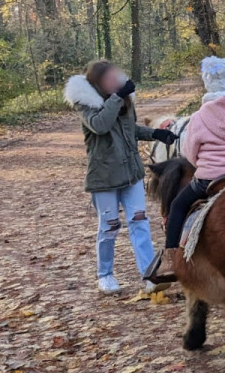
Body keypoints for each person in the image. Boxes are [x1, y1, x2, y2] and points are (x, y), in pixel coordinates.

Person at [65, 60, 178, 295]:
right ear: (97, 83)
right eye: (109, 78)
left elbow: (131, 130)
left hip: (131, 174)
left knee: (140, 222)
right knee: (109, 226)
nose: (115, 80)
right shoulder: (86, 105)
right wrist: (117, 97)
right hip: (104, 178)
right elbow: (100, 125)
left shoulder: (123, 100)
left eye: (116, 76)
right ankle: (105, 275)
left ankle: (150, 274)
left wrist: (156, 134)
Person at [161, 57, 225, 262]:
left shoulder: (200, 117)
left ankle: (170, 259)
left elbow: (189, 152)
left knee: (177, 206)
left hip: (212, 180)